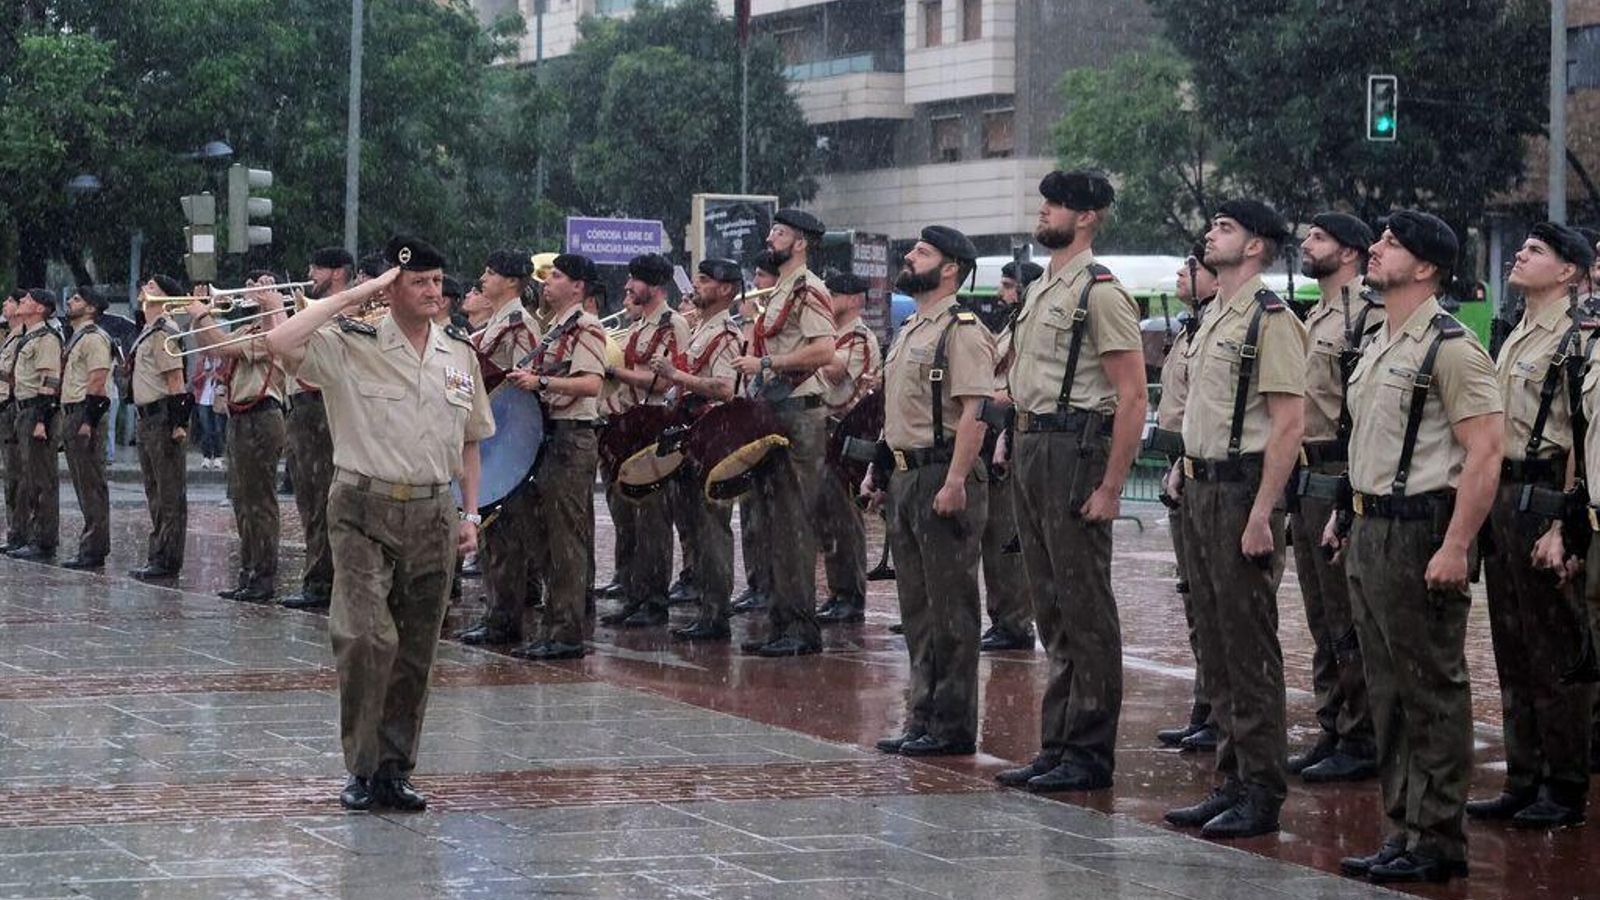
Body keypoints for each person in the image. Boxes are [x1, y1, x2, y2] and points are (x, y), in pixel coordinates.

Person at [266, 235, 491, 812]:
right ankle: (363, 768)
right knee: (367, 638)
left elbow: (470, 442)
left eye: (438, 282)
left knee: (416, 650)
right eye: (419, 282)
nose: (433, 292)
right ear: (392, 288)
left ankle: (394, 770)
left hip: (432, 511)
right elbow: (280, 339)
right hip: (363, 506)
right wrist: (359, 292)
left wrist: (470, 512)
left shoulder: (458, 354)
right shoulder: (351, 343)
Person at [1329, 210, 1500, 884]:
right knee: (1387, 687)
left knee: (1431, 687)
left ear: (1426, 267)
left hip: (1421, 530)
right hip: (1374, 528)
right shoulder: (1380, 343)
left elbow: (1485, 452)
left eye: (1391, 244)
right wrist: (1347, 515)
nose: (1374, 249)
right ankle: (1402, 826)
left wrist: (1456, 545)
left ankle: (1437, 837)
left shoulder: (1450, 347)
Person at [994, 171, 1147, 793]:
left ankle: (1088, 752)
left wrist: (1111, 486)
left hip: (1074, 448)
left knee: (1084, 605)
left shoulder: (1100, 292)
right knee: (1051, 604)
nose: (1044, 210)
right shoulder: (1041, 289)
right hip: (1033, 443)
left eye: (1055, 204)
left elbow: (1133, 396)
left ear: (1086, 217)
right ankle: (1057, 743)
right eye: (1045, 200)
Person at [1163, 200, 1306, 839]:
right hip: (1199, 488)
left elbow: (1288, 423)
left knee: (1248, 646)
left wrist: (1262, 513)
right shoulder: (1215, 314)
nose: (1209, 234)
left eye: (1224, 228)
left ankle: (1261, 789)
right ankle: (1231, 777)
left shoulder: (1269, 319)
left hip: (1240, 491)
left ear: (1254, 247)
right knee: (1216, 645)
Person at [1470, 223, 1597, 828]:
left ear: (1570, 271)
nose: (1519, 254)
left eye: (1536, 251)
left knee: (1555, 650)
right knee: (1512, 645)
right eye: (1520, 246)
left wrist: (1565, 524)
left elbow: (1582, 433)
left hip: (1547, 492)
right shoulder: (1515, 330)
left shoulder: (1579, 338)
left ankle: (1565, 785)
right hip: (1505, 491)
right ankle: (1524, 776)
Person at [865, 225, 995, 756]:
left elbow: (975, 412)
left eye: (921, 252)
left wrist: (957, 479)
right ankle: (922, 716)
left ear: (949, 269)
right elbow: (899, 411)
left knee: (950, 610)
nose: (909, 255)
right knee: (917, 608)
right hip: (905, 475)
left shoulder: (961, 330)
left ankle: (952, 725)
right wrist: (879, 469)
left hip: (942, 474)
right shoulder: (910, 328)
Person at [1287, 212, 1382, 783]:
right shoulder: (1314, 316)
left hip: (1338, 469)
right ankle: (1334, 722)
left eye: (1319, 238)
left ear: (1350, 253)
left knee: (1346, 612)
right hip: (1305, 472)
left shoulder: (1366, 315)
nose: (1306, 244)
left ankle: (1361, 733)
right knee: (1321, 612)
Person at [731, 209, 837, 657]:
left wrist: (768, 364)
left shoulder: (808, 289)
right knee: (774, 522)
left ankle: (799, 629)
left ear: (800, 244)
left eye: (780, 233)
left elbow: (825, 350)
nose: (770, 238)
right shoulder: (778, 291)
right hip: (776, 409)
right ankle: (782, 622)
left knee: (794, 523)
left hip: (798, 412)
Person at [507, 254, 607, 661]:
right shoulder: (555, 329)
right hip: (551, 439)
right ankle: (554, 625)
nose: (547, 282)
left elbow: (591, 383)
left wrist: (540, 380)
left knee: (567, 540)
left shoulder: (587, 327)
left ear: (579, 287)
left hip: (572, 439)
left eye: (558, 276)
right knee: (546, 537)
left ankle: (567, 632)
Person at [651, 258, 746, 640]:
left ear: (725, 290)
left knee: (712, 528)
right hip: (694, 430)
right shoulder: (700, 328)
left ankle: (715, 613)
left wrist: (676, 376)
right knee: (693, 524)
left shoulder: (724, 332)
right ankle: (705, 604)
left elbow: (726, 388)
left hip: (715, 432)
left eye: (705, 281)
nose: (695, 287)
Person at [1153, 248, 1220, 752]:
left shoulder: (1231, 326)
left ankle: (1222, 710)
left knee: (1221, 603)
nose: (1179, 275)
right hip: (1186, 466)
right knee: (1194, 596)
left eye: (1188, 268)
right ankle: (1208, 702)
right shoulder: (1191, 329)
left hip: (1217, 472)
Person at [600, 254, 690, 629]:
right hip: (633, 423)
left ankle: (653, 601)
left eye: (634, 281)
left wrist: (615, 372)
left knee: (654, 517)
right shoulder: (638, 326)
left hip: (657, 423)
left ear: (653, 287)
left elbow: (670, 380)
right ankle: (637, 595)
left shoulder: (674, 323)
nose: (627, 287)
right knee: (634, 516)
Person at [186, 273, 289, 602]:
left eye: (261, 287)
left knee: (259, 502)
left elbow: (224, 345)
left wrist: (202, 314)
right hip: (241, 416)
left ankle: (263, 575)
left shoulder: (276, 333)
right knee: (243, 502)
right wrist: (205, 315)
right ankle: (248, 571)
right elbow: (211, 349)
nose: (251, 291)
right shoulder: (249, 328)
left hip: (262, 415)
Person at [456, 250, 540, 646]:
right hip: (491, 431)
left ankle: (505, 618)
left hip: (507, 437)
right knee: (493, 530)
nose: (483, 279)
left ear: (510, 281)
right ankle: (496, 612)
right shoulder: (496, 322)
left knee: (505, 533)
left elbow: (521, 385)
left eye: (490, 273)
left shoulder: (519, 323)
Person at [281, 247, 352, 611]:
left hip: (320, 408)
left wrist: (277, 312)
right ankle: (317, 575)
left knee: (323, 497)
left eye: (317, 268)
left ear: (338, 273)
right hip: (299, 409)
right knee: (307, 499)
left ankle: (323, 580)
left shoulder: (343, 309)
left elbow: (300, 348)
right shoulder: (313, 308)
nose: (309, 273)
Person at [979, 258, 1042, 652]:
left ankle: (1016, 621)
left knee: (1007, 535)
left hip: (1010, 432)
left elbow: (1017, 387)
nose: (1000, 294)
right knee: (993, 535)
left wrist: (983, 397)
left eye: (1008, 286)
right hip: (993, 431)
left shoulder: (1030, 330)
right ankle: (1003, 617)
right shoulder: (1009, 327)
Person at [815, 271, 883, 625]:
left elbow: (835, 375)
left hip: (846, 433)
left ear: (855, 299)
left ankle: (850, 595)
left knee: (844, 518)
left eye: (836, 294)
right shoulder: (831, 335)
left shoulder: (856, 336)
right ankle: (837, 592)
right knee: (827, 518)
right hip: (828, 434)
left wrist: (801, 357)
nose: (829, 298)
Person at [127, 275, 192, 580]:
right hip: (146, 416)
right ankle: (158, 553)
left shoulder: (164, 331)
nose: (144, 290)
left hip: (162, 417)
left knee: (169, 493)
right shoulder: (148, 330)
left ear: (166, 298)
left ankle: (167, 559)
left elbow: (176, 380)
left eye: (151, 287)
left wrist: (178, 424)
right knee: (155, 490)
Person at [733, 249, 784, 614]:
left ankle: (771, 587)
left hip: (772, 418)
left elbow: (758, 367)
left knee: (771, 516)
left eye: (761, 279)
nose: (754, 286)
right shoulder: (754, 322)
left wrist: (752, 323)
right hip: (749, 418)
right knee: (750, 514)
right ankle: (757, 583)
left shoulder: (768, 324)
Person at [60, 287, 115, 569]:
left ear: (92, 308)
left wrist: (88, 421)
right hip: (72, 411)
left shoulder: (94, 338)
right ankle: (90, 544)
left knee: (91, 483)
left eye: (77, 299)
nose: (70, 302)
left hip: (85, 411)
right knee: (83, 483)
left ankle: (94, 548)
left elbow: (97, 380)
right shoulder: (78, 337)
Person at [6, 289, 63, 561]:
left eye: (27, 300)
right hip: (21, 410)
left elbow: (50, 381)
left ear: (40, 308)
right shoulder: (28, 337)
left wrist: (42, 419)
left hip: (35, 412)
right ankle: (28, 536)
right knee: (28, 477)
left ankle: (44, 541)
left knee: (42, 479)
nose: (22, 303)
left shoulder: (47, 339)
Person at [0, 292, 23, 552]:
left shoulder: (27, 338)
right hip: (8, 410)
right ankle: (15, 532)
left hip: (17, 410)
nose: (4, 305)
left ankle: (23, 533)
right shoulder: (10, 337)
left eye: (9, 301)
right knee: (12, 476)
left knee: (21, 476)